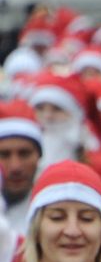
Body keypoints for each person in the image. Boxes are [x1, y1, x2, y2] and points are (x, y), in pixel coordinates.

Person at [0, 100, 43, 245]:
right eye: (4, 155)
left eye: (24, 154)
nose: (15, 167)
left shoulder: (54, 218)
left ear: (39, 156)